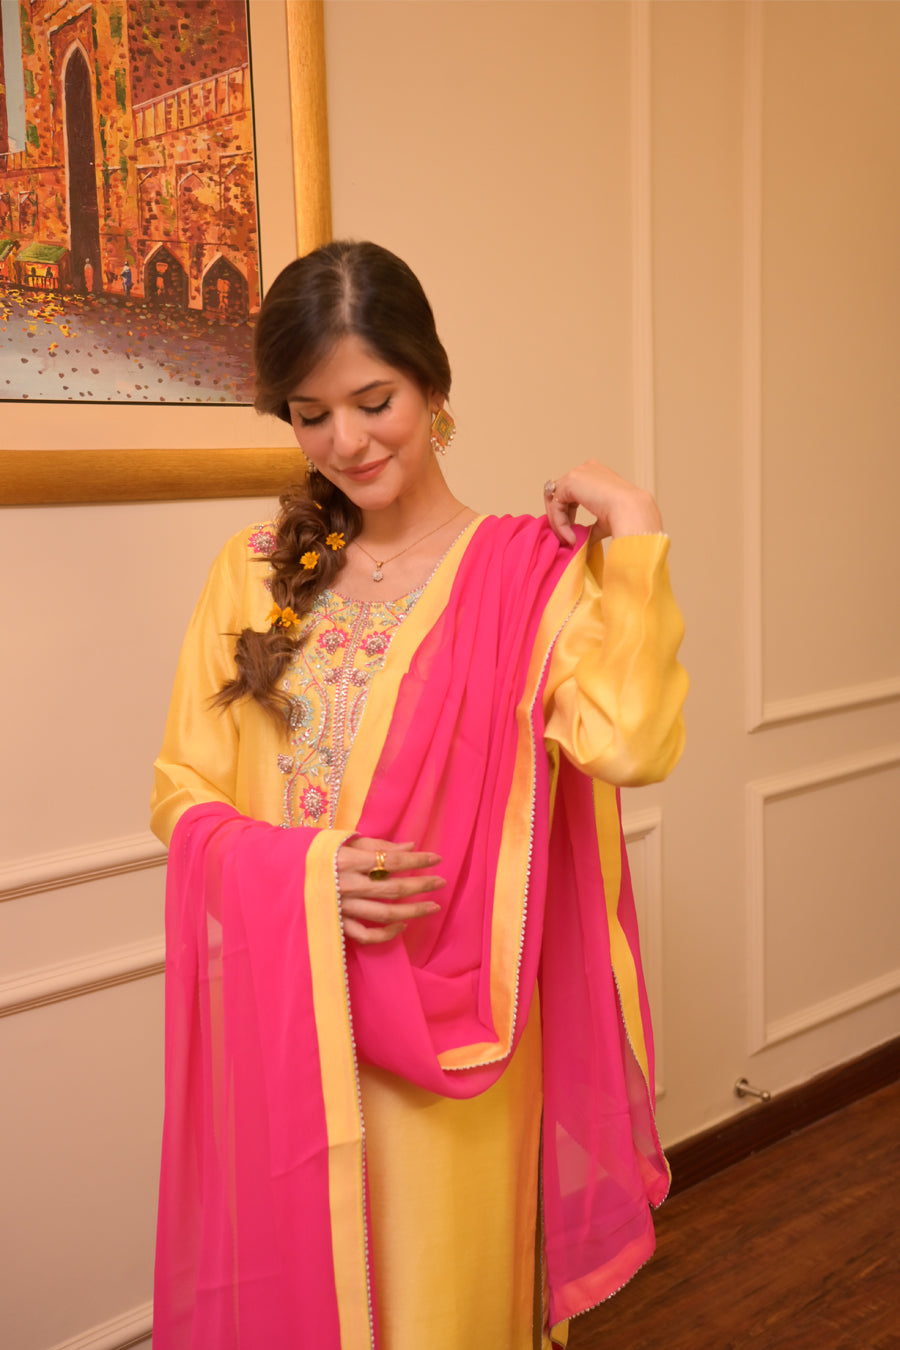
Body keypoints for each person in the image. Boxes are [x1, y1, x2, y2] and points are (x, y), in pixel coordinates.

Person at [150, 240, 688, 1350]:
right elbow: (182, 792)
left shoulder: (529, 573)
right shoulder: (251, 571)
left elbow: (630, 742)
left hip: (456, 1051)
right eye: (309, 414)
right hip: (292, 1016)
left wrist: (633, 530)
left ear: (433, 386)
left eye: (373, 399)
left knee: (439, 1312)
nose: (345, 442)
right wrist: (305, 878)